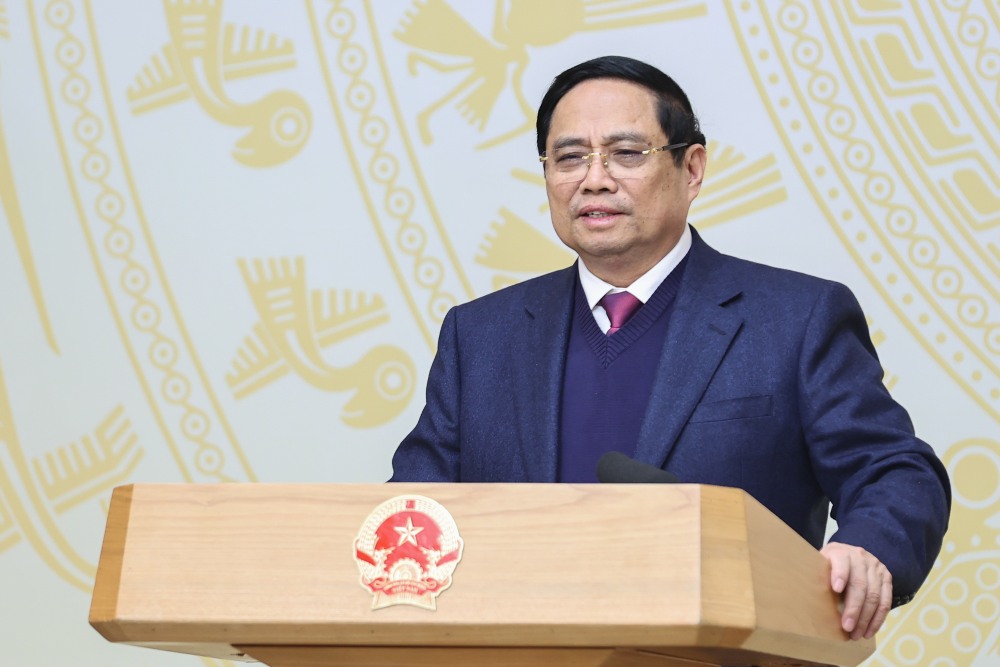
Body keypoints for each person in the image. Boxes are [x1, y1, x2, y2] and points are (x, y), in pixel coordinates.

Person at [390, 55, 950, 640]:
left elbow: (894, 470)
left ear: (693, 168)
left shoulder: (794, 320)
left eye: (627, 154)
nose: (595, 178)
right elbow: (411, 511)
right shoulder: (480, 336)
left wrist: (867, 549)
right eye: (570, 157)